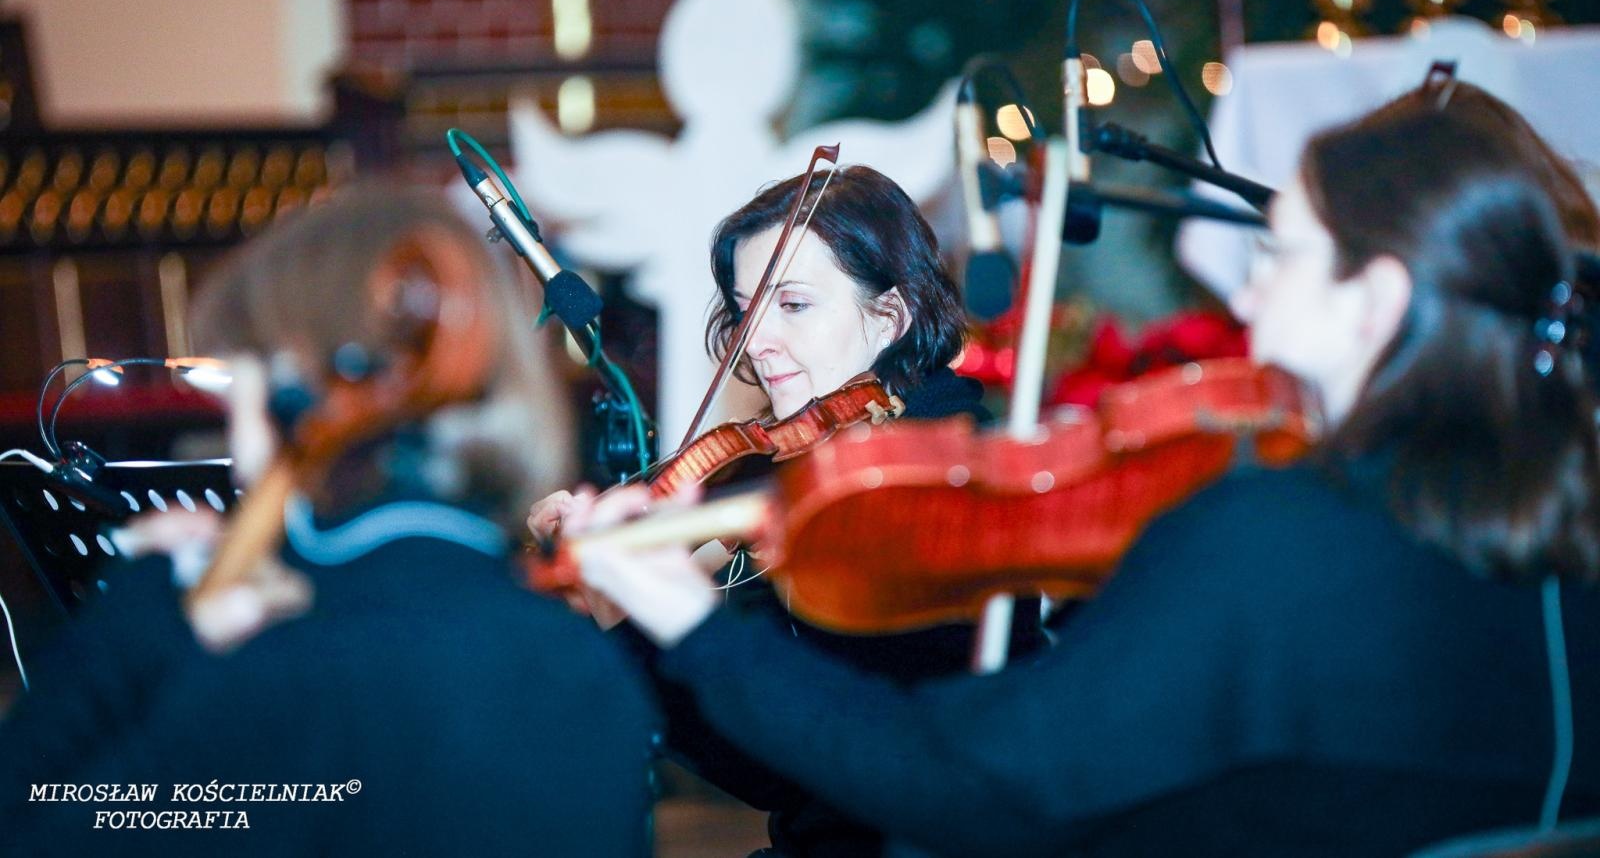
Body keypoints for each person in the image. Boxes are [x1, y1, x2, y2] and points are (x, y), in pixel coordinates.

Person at [572, 80, 1600, 856]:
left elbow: (978, 782)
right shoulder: (1561, 518)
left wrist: (698, 629)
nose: (1246, 301)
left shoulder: (1269, 531)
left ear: (1372, 301)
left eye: (1278, 256)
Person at [0, 185, 656, 856]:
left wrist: (145, 612)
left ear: (295, 395)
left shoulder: (282, 677)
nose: (236, 448)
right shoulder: (586, 663)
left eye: (239, 390)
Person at [541, 165, 1039, 856]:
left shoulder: (937, 487)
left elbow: (850, 757)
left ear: (890, 316)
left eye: (794, 305)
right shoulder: (823, 482)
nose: (756, 340)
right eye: (748, 309)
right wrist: (620, 615)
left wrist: (669, 629)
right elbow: (779, 769)